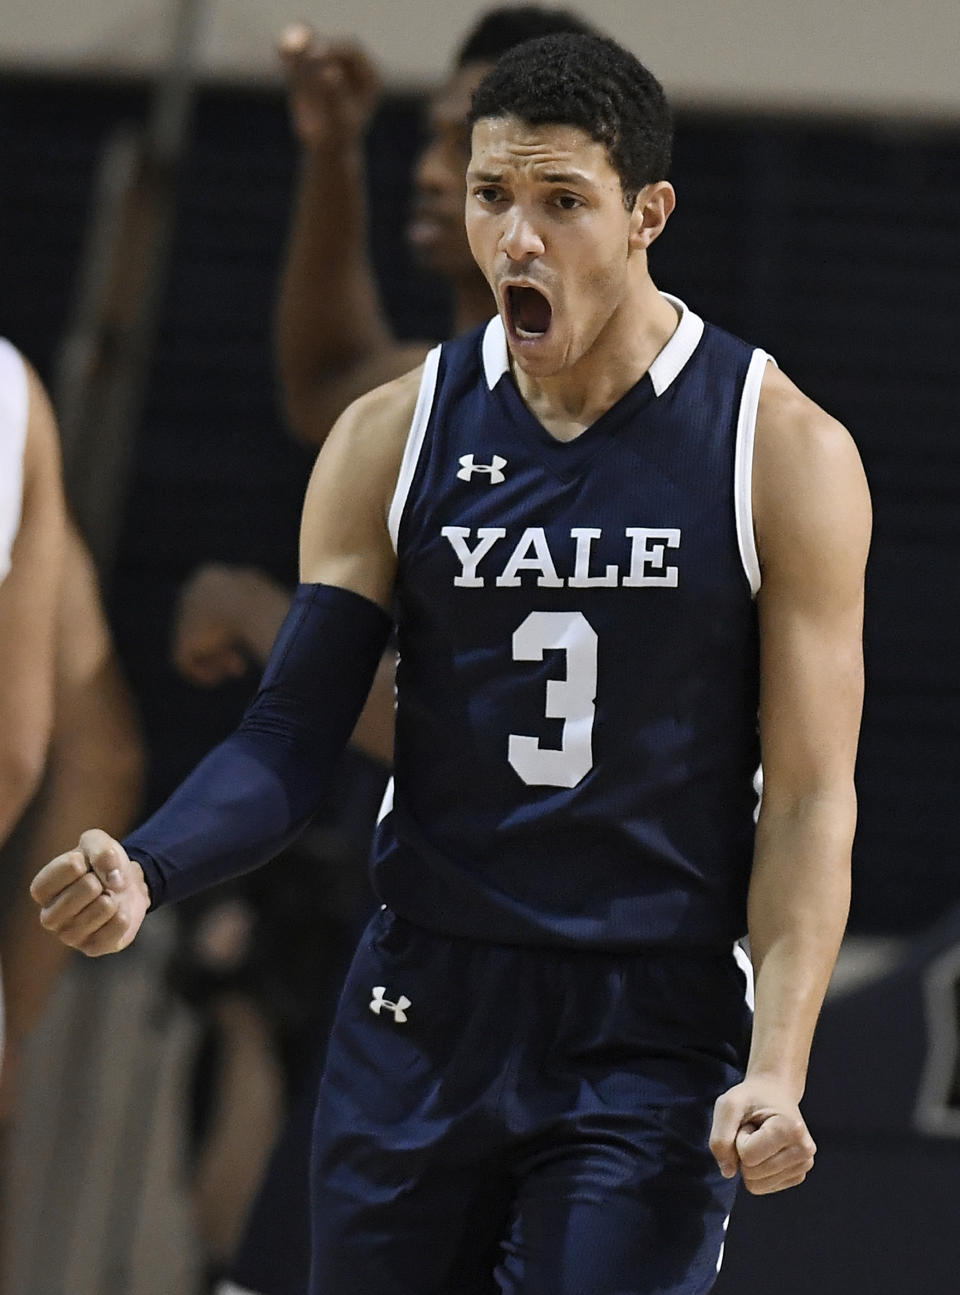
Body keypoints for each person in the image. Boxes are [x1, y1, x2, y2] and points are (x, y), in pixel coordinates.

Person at [31, 31, 871, 1295]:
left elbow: (810, 796)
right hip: (423, 999)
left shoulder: (780, 447)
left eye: (560, 201)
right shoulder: (393, 433)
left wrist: (780, 1060)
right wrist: (150, 864)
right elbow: (288, 736)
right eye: (492, 197)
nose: (515, 239)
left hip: (648, 1020)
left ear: (649, 214)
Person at [275, 5, 596, 447]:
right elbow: (325, 382)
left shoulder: (634, 413)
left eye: (469, 146)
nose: (428, 173)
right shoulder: (431, 391)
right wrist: (333, 150)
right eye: (434, 138)